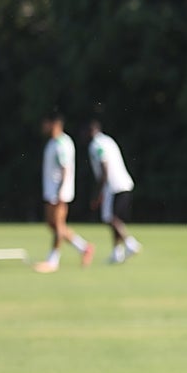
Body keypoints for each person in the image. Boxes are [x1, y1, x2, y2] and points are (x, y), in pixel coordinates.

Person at [34, 111, 94, 273]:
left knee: (59, 225)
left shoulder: (62, 143)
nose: (43, 126)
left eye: (46, 123)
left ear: (54, 124)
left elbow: (65, 168)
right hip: (51, 190)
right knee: (52, 224)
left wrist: (61, 191)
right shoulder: (53, 142)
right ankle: (84, 248)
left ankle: (53, 261)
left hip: (59, 191)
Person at [87, 121, 142, 264]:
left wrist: (97, 193)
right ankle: (117, 253)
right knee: (116, 219)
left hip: (112, 186)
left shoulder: (96, 145)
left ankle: (130, 244)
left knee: (109, 218)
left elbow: (104, 169)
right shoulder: (108, 140)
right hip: (124, 182)